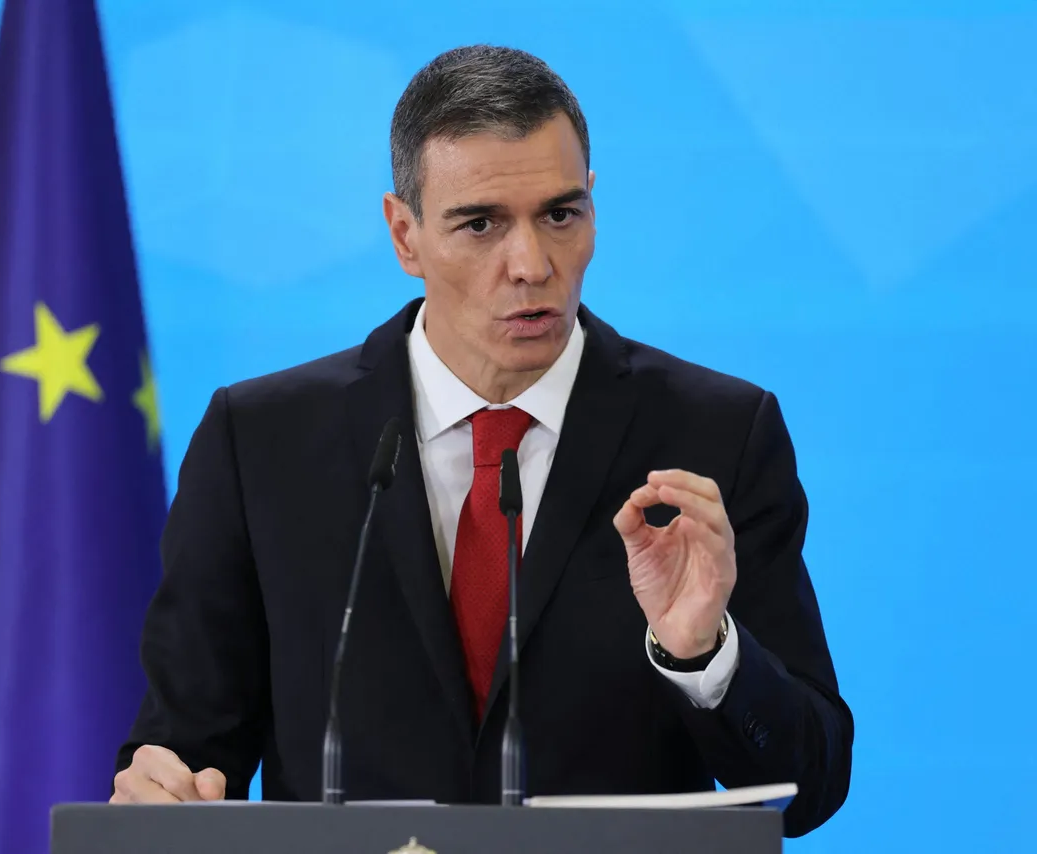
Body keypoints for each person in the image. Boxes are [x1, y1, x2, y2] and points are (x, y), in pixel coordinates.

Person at [110, 45, 853, 837]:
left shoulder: (717, 435)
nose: (531, 264)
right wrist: (161, 796)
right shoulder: (261, 442)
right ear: (405, 236)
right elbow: (186, 750)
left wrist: (705, 655)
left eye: (560, 214)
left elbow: (806, 789)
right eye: (481, 224)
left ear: (593, 209)